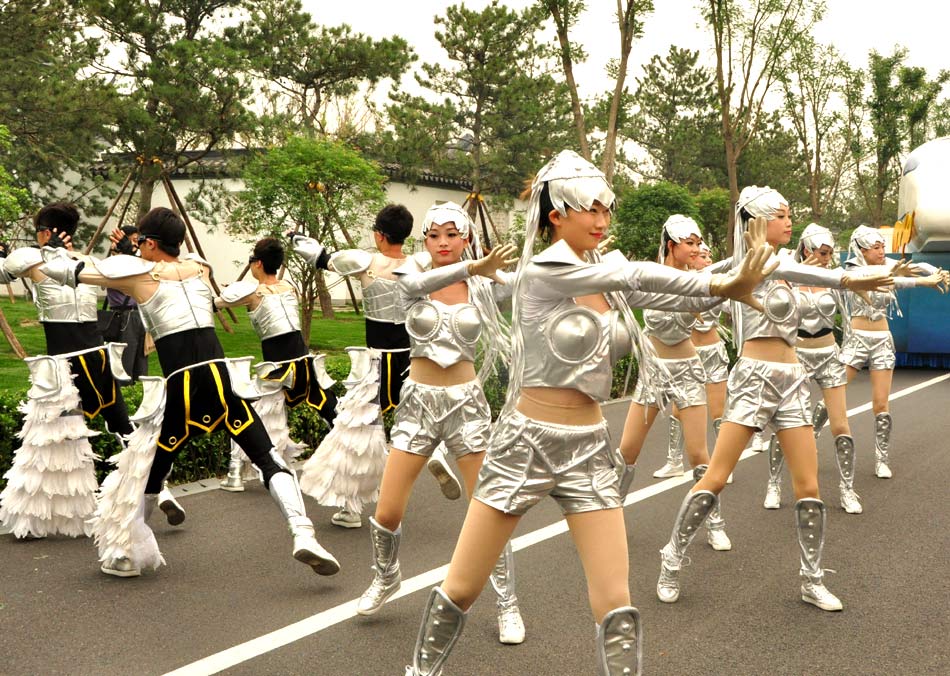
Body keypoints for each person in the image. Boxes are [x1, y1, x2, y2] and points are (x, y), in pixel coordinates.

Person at [403, 151, 777, 676]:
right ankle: (420, 672)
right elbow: (643, 274)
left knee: (616, 600)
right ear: (556, 214)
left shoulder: (604, 271)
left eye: (606, 209)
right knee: (462, 587)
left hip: (588, 447)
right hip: (525, 442)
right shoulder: (546, 269)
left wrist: (731, 274)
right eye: (590, 210)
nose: (602, 220)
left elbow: (660, 280)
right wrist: (718, 284)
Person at [38, 207, 339, 579]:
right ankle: (303, 532)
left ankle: (128, 554)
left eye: (140, 242)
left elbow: (64, 273)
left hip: (182, 385)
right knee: (268, 456)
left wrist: (53, 249)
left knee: (152, 470)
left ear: (149, 243)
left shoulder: (139, 277)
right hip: (219, 376)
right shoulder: (199, 267)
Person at [654, 186, 894, 614]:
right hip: (752, 380)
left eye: (790, 214)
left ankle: (812, 579)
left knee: (808, 486)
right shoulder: (742, 264)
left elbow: (822, 276)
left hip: (792, 379)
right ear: (759, 221)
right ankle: (672, 557)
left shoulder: (788, 265)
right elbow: (695, 286)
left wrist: (860, 278)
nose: (790, 222)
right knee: (714, 476)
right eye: (782, 215)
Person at [346, 201, 527, 645]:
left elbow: (535, 282)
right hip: (418, 405)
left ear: (466, 237)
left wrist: (583, 254)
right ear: (423, 241)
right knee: (387, 510)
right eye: (434, 235)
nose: (443, 243)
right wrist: (471, 267)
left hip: (466, 405)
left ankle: (507, 603)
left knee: (488, 509)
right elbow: (417, 282)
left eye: (452, 234)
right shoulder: (411, 277)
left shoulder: (486, 286)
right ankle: (386, 577)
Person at [0, 203, 182, 539]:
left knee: (46, 441)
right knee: (122, 427)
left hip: (61, 364)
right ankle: (163, 490)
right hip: (98, 356)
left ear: (43, 231)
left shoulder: (33, 256)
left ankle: (35, 520)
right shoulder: (88, 264)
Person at [289, 204, 463, 526]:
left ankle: (350, 510)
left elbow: (321, 258)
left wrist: (295, 238)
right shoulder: (419, 264)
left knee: (358, 434)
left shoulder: (366, 262)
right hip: (412, 359)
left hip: (375, 362)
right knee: (414, 420)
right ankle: (436, 456)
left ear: (379, 235)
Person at [617, 215, 731, 552]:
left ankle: (714, 522)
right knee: (627, 450)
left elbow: (724, 279)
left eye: (698, 244)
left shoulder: (698, 280)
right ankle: (609, 517)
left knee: (699, 453)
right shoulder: (649, 275)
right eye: (690, 244)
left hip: (686, 368)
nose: (696, 250)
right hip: (654, 370)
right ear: (671, 245)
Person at [213, 237, 339, 495]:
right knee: (330, 410)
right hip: (303, 362)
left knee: (248, 415)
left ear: (257, 263)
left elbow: (218, 303)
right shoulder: (289, 287)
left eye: (251, 262)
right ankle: (345, 454)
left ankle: (236, 473)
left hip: (275, 368)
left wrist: (227, 292)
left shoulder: (252, 292)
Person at [761, 223, 862, 513]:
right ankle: (774, 483)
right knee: (788, 425)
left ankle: (847, 489)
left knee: (841, 424)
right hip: (798, 356)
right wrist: (790, 274)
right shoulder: (786, 276)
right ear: (806, 250)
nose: (827, 258)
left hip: (830, 354)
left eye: (830, 253)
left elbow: (862, 278)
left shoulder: (833, 278)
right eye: (822, 252)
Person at [839, 225, 947, 478]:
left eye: (882, 247)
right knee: (836, 390)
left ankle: (881, 458)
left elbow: (914, 266)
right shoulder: (853, 270)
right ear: (861, 250)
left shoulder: (888, 264)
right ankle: (813, 430)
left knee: (881, 403)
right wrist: (922, 282)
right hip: (857, 339)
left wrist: (937, 272)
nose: (881, 251)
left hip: (882, 339)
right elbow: (892, 278)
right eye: (875, 248)